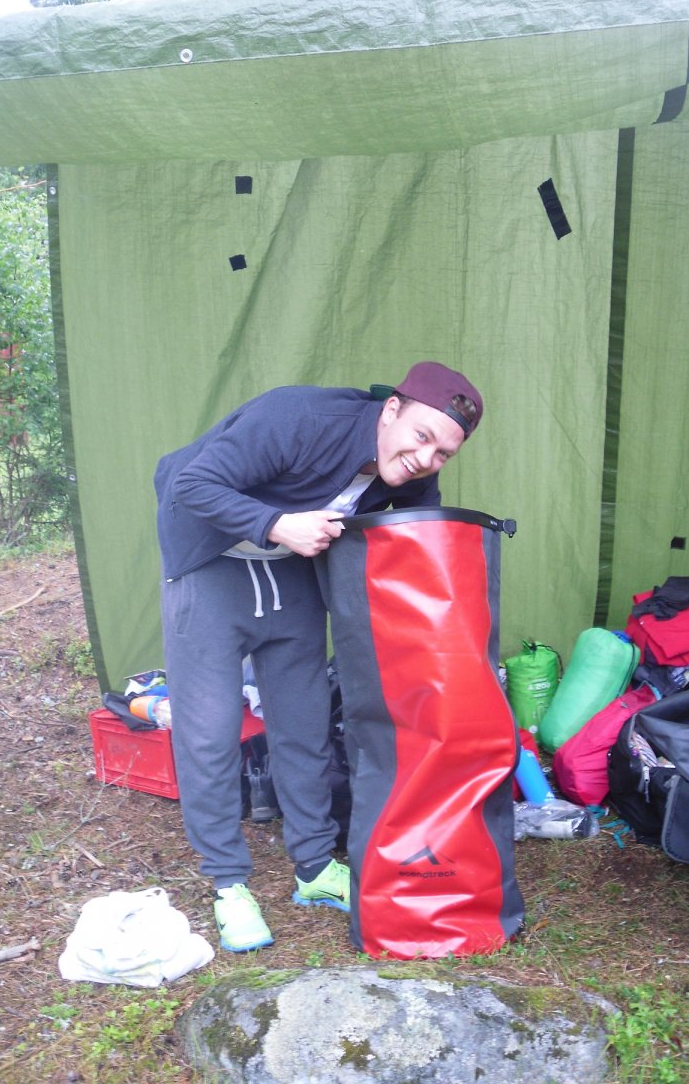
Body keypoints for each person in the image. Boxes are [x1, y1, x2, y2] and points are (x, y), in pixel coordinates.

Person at [154, 361, 483, 952]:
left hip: (292, 570)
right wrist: (277, 524)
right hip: (210, 562)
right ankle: (228, 884)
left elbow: (417, 543)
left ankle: (313, 866)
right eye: (421, 436)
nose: (425, 458)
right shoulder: (300, 418)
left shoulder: (411, 474)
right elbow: (192, 485)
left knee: (303, 723)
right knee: (210, 734)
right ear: (391, 410)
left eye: (443, 454)